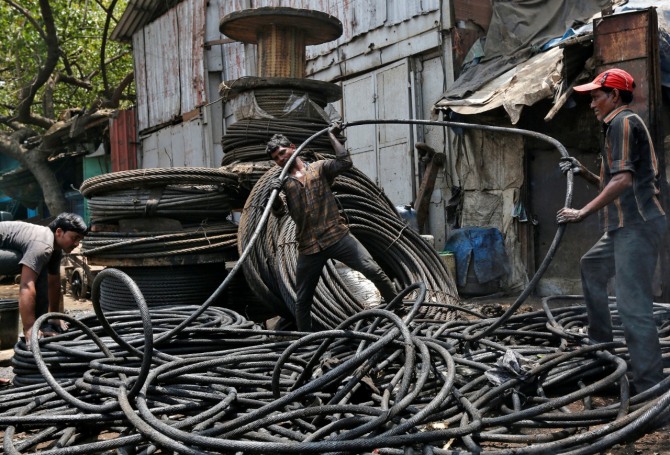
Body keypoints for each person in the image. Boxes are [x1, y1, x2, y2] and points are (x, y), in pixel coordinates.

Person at [556, 68, 667, 394]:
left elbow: (623, 181)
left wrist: (582, 211)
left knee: (634, 309)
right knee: (591, 265)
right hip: (623, 228)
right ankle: (600, 349)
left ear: (614, 96)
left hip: (636, 227)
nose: (592, 103)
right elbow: (614, 180)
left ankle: (650, 388)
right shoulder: (618, 126)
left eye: (596, 96)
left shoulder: (623, 122)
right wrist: (584, 171)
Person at [266, 125, 397, 331]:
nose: (281, 159)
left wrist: (331, 137)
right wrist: (273, 195)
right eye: (276, 158)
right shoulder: (284, 183)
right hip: (309, 247)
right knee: (302, 299)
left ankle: (400, 312)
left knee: (373, 270)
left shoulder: (319, 168)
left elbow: (345, 162)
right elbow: (279, 213)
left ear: (293, 148)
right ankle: (305, 340)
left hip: (337, 236)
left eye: (282, 153)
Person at [0, 213, 87, 344]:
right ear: (59, 232)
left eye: (79, 239)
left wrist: (54, 316)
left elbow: (54, 283)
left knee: (39, 264)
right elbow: (26, 285)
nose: (77, 243)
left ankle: (42, 322)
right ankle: (36, 326)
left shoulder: (55, 248)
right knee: (36, 265)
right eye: (74, 238)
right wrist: (30, 328)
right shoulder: (43, 245)